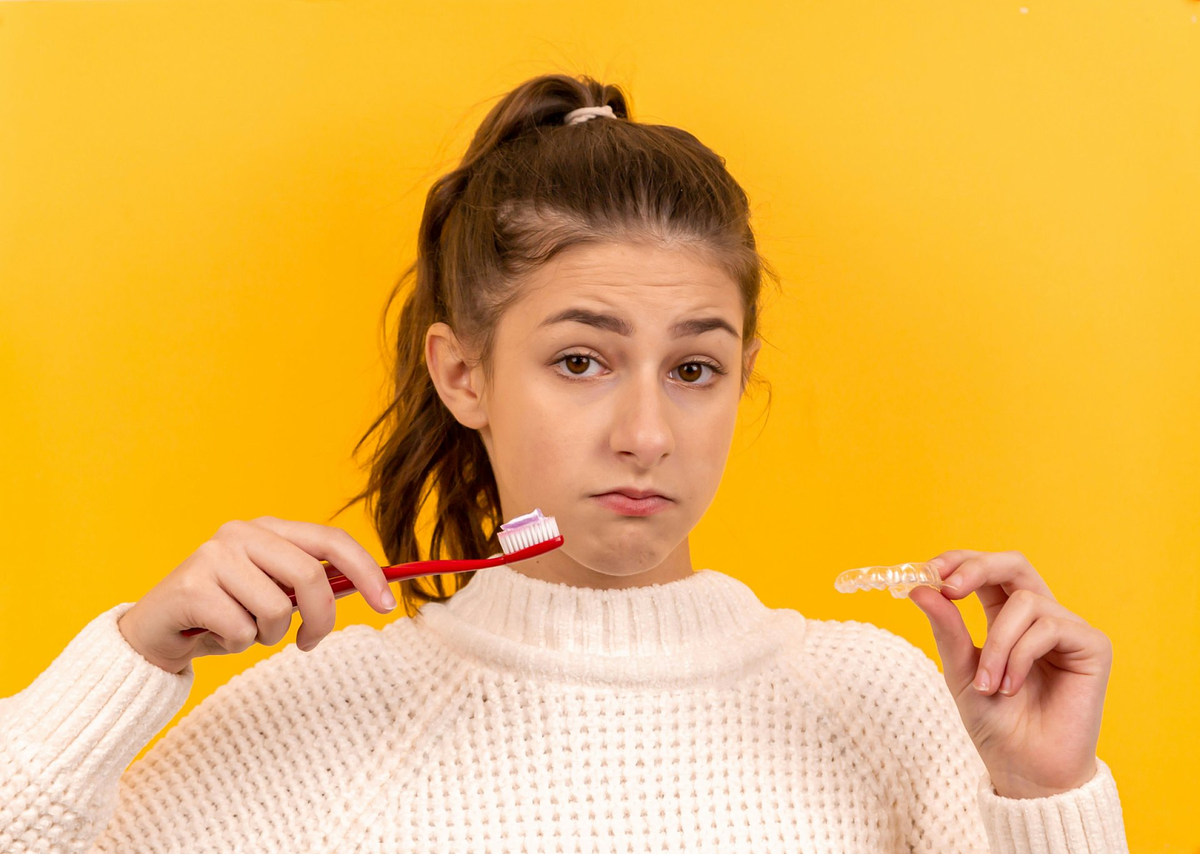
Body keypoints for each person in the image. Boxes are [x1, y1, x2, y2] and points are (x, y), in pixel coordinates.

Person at [0, 73, 1128, 852]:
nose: (647, 431)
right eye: (582, 359)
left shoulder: (885, 703)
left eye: (695, 368)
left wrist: (1044, 794)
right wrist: (130, 661)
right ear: (463, 374)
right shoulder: (326, 713)